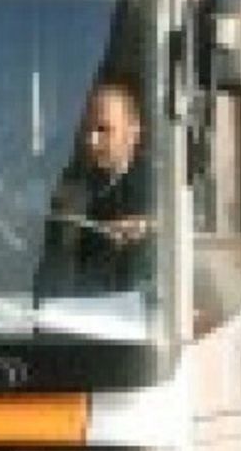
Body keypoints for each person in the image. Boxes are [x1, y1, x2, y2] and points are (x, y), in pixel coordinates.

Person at [34, 78, 154, 301]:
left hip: (136, 311)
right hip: (76, 308)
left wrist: (148, 227)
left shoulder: (159, 183)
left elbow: (189, 229)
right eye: (86, 129)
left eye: (103, 129)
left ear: (133, 131)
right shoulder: (70, 180)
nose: (91, 141)